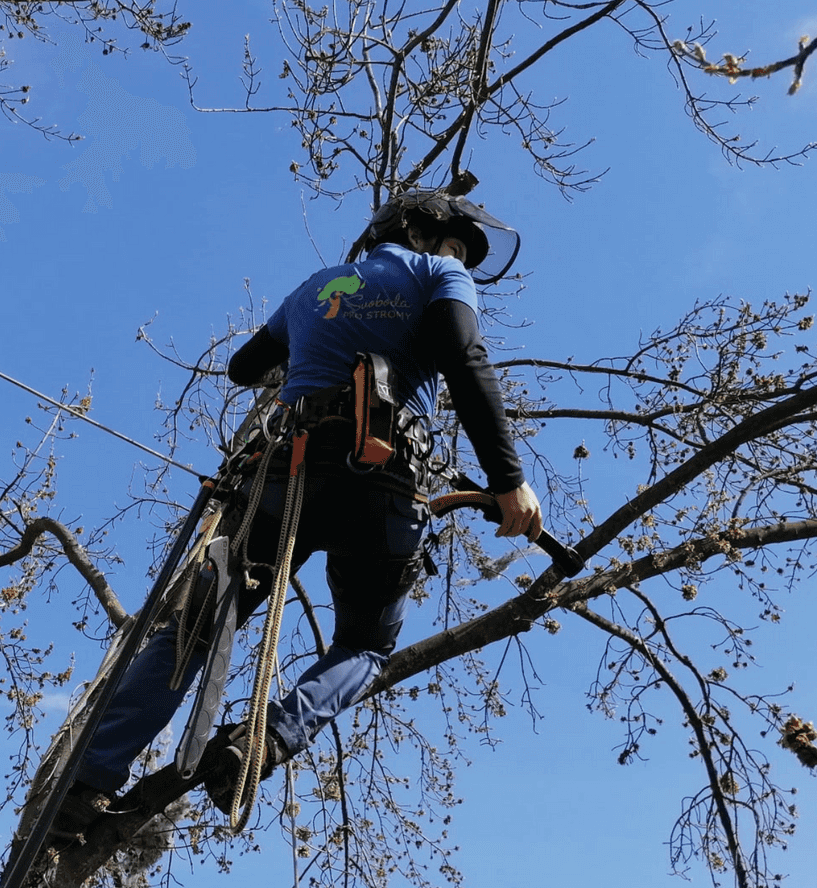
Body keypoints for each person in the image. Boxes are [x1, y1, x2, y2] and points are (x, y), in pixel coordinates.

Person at [54, 190, 543, 834]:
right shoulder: (439, 276)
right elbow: (464, 356)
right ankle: (265, 739)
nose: (460, 260)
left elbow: (243, 366)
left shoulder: (317, 283)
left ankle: (85, 782)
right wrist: (508, 480)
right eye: (454, 245)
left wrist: (323, 336)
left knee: (196, 627)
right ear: (421, 232)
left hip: (280, 474)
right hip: (381, 481)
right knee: (365, 646)